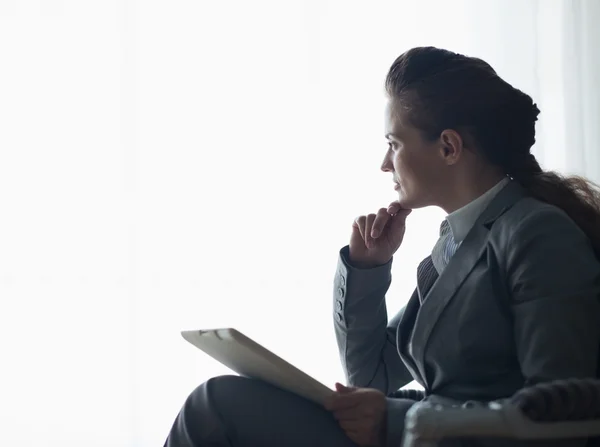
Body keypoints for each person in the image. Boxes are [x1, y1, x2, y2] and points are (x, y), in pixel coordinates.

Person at [163, 47, 600, 447]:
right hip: (414, 434)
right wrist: (368, 269)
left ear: (448, 147)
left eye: (394, 144)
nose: (385, 164)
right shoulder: (454, 242)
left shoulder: (536, 233)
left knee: (216, 406)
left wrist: (393, 420)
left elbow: (559, 414)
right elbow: (371, 375)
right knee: (221, 404)